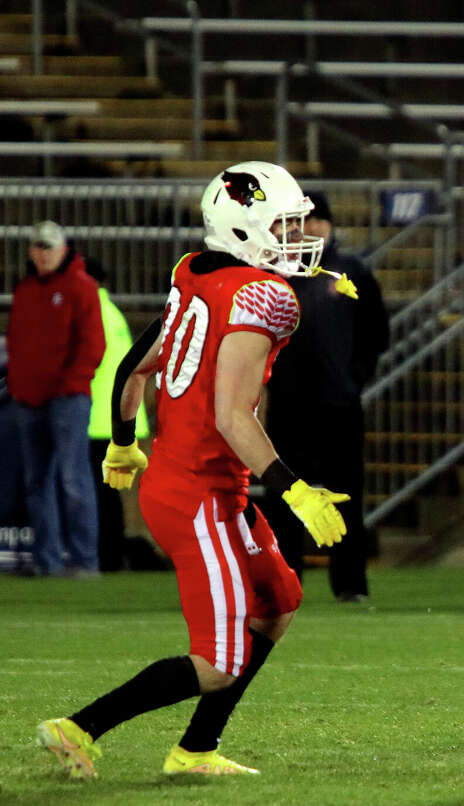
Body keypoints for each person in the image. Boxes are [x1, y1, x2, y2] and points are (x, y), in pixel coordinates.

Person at [36, 161, 350, 779]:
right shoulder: (266, 297)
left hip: (206, 487)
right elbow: (233, 417)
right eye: (284, 225)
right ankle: (78, 728)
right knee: (219, 661)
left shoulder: (194, 272)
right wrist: (294, 490)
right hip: (198, 495)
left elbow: (134, 366)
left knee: (279, 601)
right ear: (244, 229)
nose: (299, 236)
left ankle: (196, 749)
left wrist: (124, 440)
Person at [261, 189, 387, 602]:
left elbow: (376, 332)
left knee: (346, 494)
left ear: (330, 225)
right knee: (285, 497)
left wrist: (355, 377)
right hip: (289, 404)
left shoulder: (351, 273)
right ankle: (284, 581)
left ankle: (350, 584)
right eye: (301, 222)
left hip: (339, 405)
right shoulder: (275, 275)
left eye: (316, 221)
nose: (309, 229)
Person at [6, 220, 105, 577]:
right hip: (29, 399)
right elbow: (16, 343)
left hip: (68, 399)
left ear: (63, 250)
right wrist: (19, 387)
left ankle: (83, 562)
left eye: (48, 247)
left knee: (72, 479)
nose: (42, 253)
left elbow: (93, 343)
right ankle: (47, 562)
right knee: (37, 484)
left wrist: (71, 384)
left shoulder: (81, 287)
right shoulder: (26, 290)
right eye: (38, 247)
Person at [84, 259, 151, 572]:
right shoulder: (111, 311)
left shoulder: (92, 311)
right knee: (109, 495)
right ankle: (112, 556)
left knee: (101, 496)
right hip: (116, 419)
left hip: (100, 419)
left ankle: (107, 558)